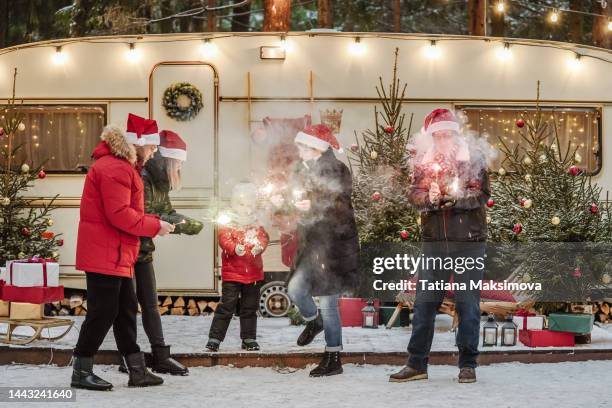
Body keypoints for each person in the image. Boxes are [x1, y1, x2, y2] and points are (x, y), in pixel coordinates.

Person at [71, 115, 175, 391]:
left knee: (126, 310)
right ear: (138, 144)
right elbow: (119, 215)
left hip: (117, 254)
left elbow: (127, 212)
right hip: (106, 253)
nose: (154, 152)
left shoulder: (123, 167)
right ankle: (81, 370)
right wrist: (155, 226)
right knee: (103, 312)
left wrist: (154, 222)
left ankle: (137, 370)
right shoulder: (115, 168)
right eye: (151, 147)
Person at [389, 109, 489, 384]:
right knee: (424, 306)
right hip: (434, 244)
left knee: (468, 306)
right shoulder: (424, 160)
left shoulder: (473, 158)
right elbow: (414, 192)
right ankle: (416, 364)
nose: (443, 139)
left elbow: (480, 194)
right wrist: (429, 199)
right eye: (439, 135)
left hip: (469, 244)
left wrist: (456, 199)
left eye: (448, 134)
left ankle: (468, 364)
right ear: (432, 136)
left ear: (456, 134)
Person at [117, 130, 203, 375]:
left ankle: (160, 355)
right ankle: (128, 357)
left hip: (144, 251)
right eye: (178, 163)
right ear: (166, 158)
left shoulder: (160, 181)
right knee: (128, 306)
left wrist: (185, 222)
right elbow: (141, 216)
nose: (180, 167)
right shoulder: (142, 176)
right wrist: (178, 224)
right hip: (128, 250)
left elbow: (165, 211)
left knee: (151, 304)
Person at [276, 124, 360, 377]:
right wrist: (284, 204)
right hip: (311, 243)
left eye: (303, 146)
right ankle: (315, 323)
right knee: (295, 289)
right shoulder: (302, 170)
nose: (299, 149)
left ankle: (333, 357)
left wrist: (310, 204)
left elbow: (340, 206)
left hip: (334, 245)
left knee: (328, 302)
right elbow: (296, 201)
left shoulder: (336, 169)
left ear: (316, 148)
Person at [206, 182, 269, 352]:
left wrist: (260, 247)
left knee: (249, 308)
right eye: (242, 204)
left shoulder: (256, 222)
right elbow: (223, 238)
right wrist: (234, 248)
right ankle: (215, 338)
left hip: (253, 274)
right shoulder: (229, 221)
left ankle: (248, 338)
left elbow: (263, 238)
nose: (246, 209)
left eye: (250, 205)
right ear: (234, 204)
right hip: (232, 274)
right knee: (227, 306)